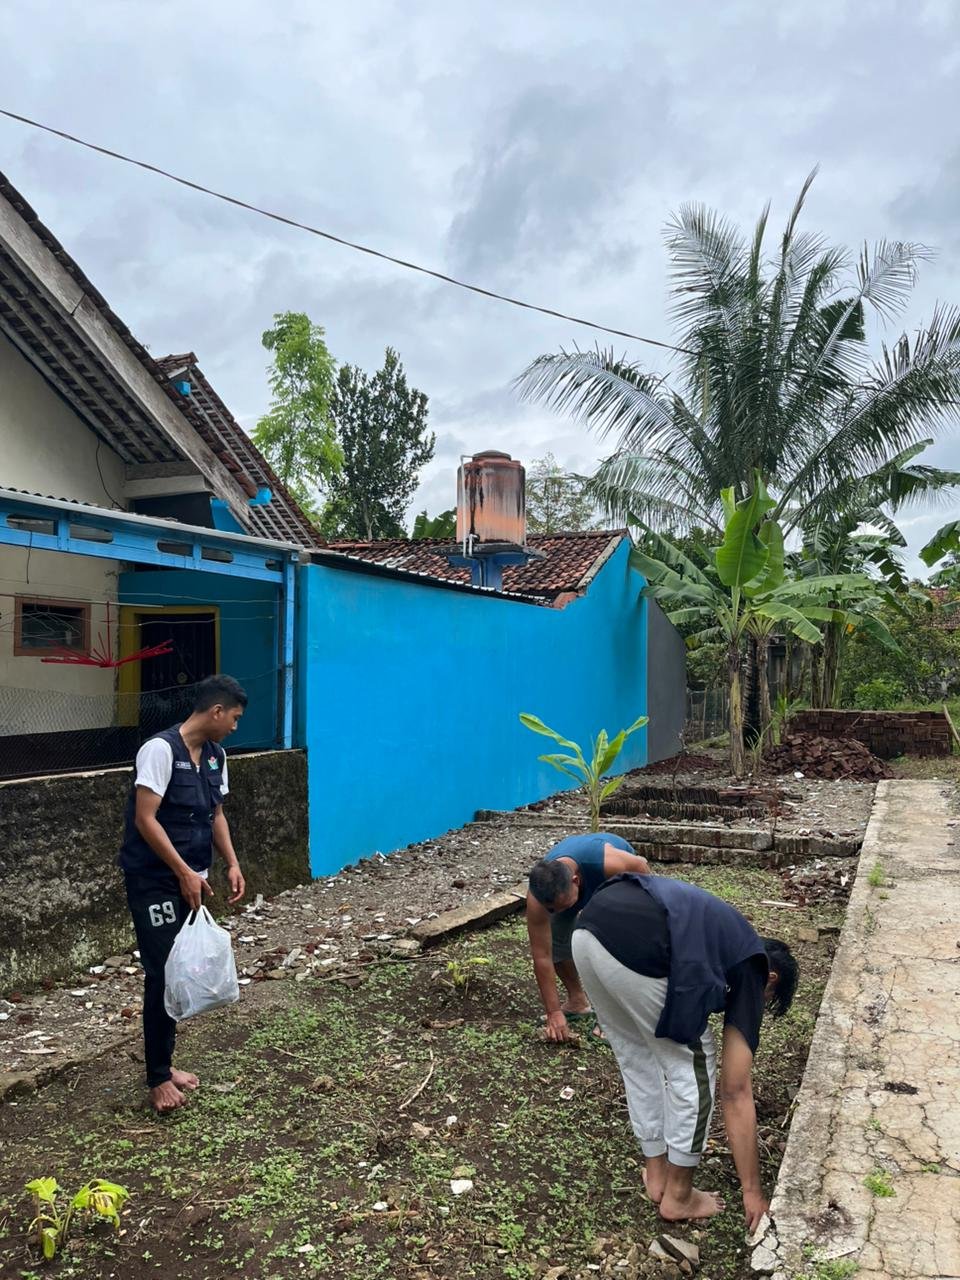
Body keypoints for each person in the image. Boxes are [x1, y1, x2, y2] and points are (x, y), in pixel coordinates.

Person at [571, 873, 797, 1230]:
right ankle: (678, 1195)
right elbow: (735, 1089)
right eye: (765, 1002)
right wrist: (752, 1190)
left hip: (587, 929)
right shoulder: (753, 964)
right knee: (694, 1063)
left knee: (637, 1057)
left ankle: (657, 1176)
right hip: (638, 946)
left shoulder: (722, 938)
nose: (755, 1005)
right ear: (771, 981)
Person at [118, 674, 248, 1113]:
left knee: (181, 968)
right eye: (233, 717)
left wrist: (230, 861)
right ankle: (157, 1078)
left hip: (194, 878)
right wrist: (182, 871)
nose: (234, 726)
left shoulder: (216, 756)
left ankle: (166, 1061)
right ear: (215, 711)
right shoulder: (159, 750)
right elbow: (145, 819)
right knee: (162, 972)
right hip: (154, 880)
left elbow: (216, 814)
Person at [526, 833, 652, 1042]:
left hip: (616, 884)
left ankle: (614, 1015)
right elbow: (542, 956)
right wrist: (553, 1013)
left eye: (563, 905)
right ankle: (577, 1001)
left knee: (610, 947)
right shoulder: (538, 898)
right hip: (573, 889)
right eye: (551, 908)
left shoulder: (609, 864)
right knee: (556, 942)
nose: (555, 911)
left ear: (576, 881)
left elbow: (642, 868)